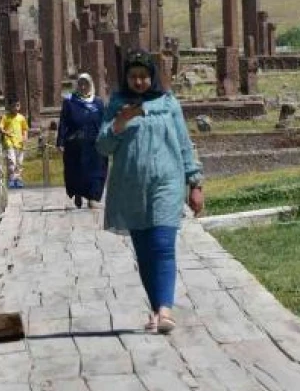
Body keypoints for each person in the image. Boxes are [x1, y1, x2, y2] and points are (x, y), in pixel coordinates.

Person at [96, 50, 204, 334]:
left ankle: (166, 309)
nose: (139, 81)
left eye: (143, 76)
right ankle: (157, 309)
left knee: (162, 245)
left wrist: (195, 183)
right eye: (133, 77)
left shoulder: (168, 104)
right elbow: (103, 147)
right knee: (144, 251)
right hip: (131, 185)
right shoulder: (117, 104)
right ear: (126, 78)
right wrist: (120, 123)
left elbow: (183, 143)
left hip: (167, 182)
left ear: (152, 76)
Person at [57, 73, 108, 208]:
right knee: (77, 170)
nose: (83, 87)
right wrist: (61, 142)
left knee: (96, 170)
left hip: (95, 144)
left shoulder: (98, 102)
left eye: (86, 84)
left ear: (91, 85)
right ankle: (78, 193)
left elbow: (104, 122)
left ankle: (93, 197)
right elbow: (63, 122)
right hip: (76, 144)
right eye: (81, 84)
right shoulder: (70, 101)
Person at [0, 99, 29, 189]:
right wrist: (4, 132)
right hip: (9, 142)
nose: (16, 108)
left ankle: (18, 179)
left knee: (19, 162)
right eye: (14, 106)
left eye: (18, 105)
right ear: (10, 107)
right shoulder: (5, 117)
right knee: (12, 161)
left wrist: (25, 137)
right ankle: (11, 179)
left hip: (20, 143)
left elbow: (25, 129)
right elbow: (0, 127)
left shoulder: (21, 118)